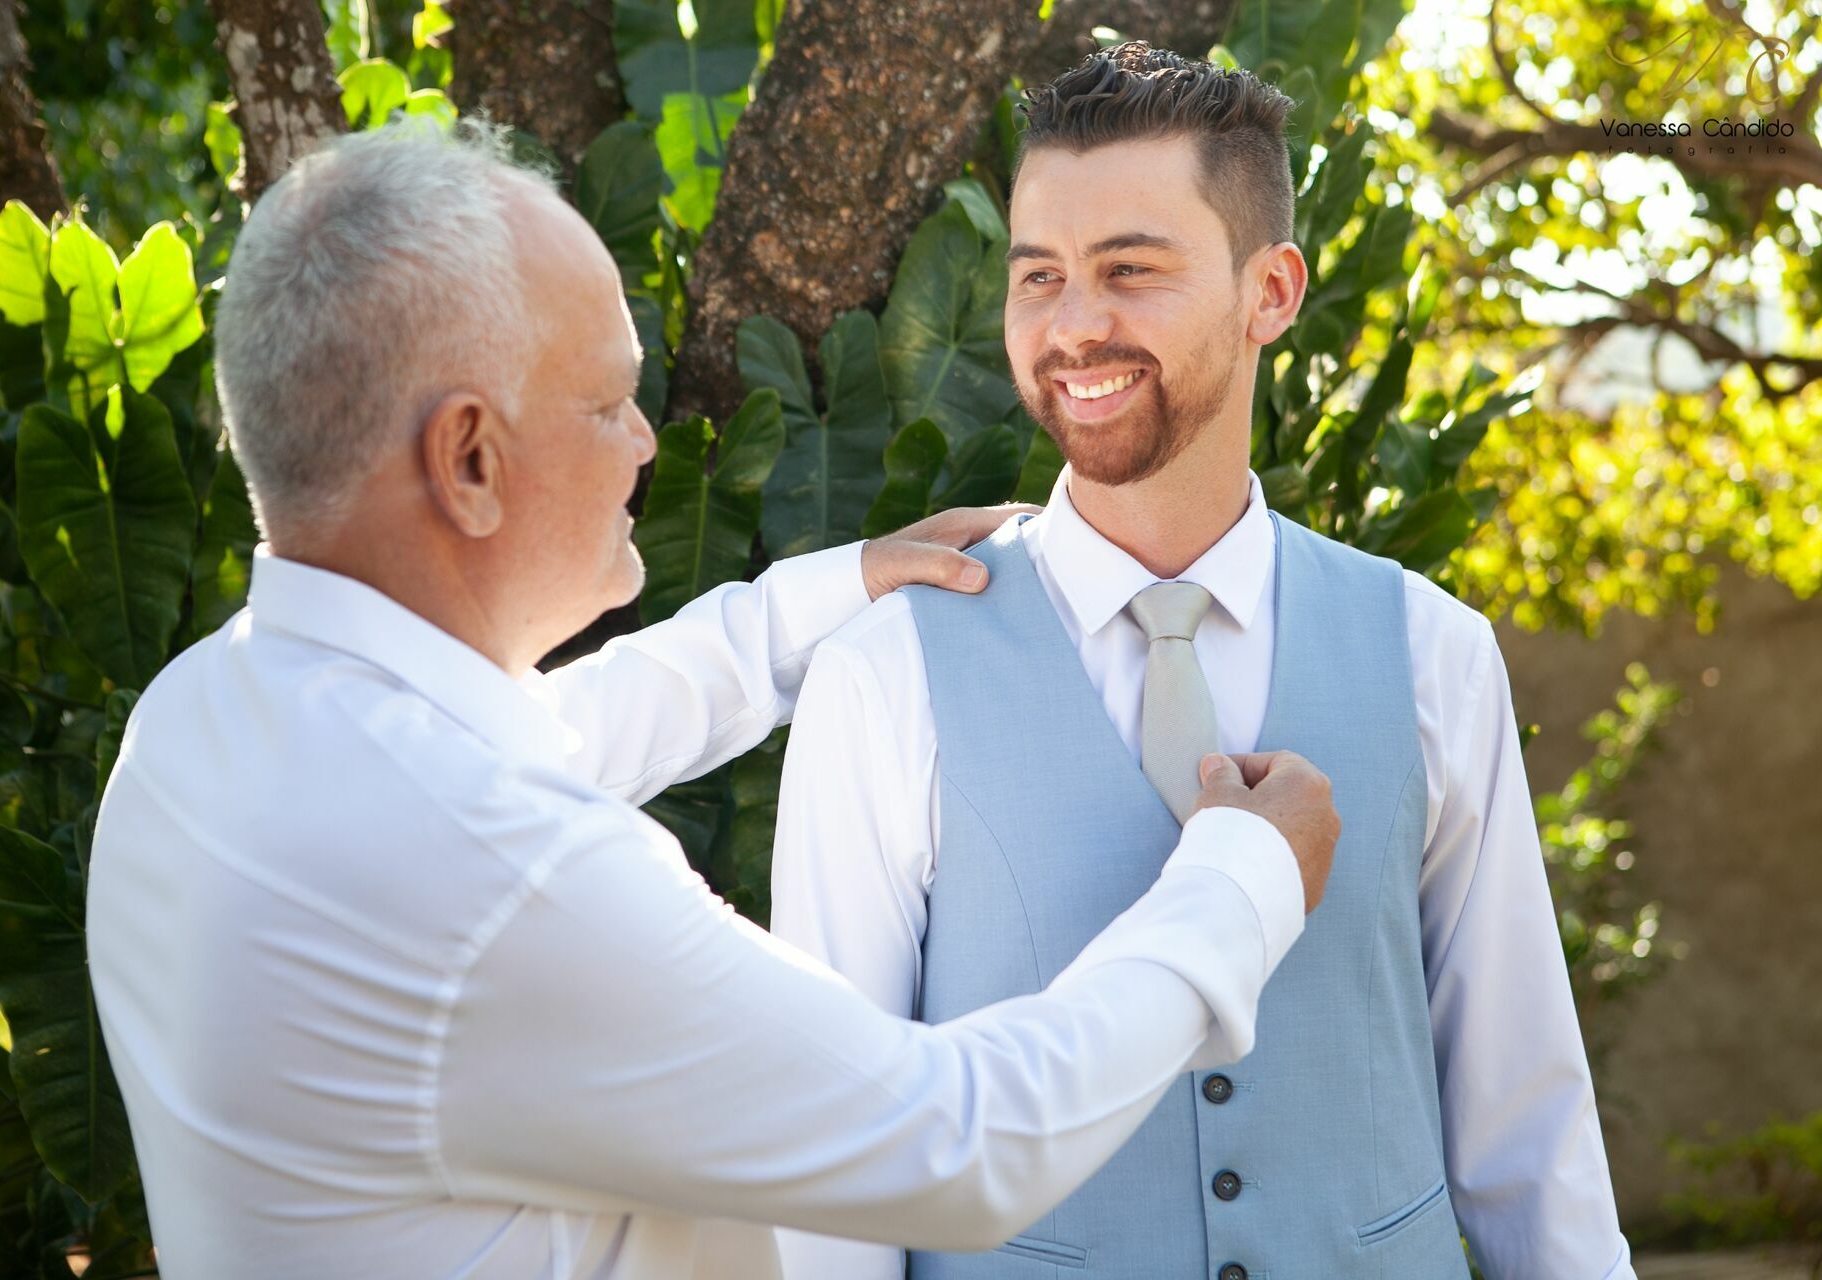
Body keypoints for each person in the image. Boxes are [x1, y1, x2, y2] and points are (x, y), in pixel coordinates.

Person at [84, 118, 1345, 1280]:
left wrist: (807, 605)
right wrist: (1239, 878)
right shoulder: (503, 883)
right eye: (608, 402)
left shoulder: (205, 719)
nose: (647, 440)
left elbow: (536, 742)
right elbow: (959, 1141)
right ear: (470, 459)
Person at [770, 43, 1636, 1280]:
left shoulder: (1431, 648)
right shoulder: (887, 671)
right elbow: (841, 1161)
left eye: (1130, 269)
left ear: (1269, 290)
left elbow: (1525, 1113)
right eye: (1040, 278)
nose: (1073, 326)